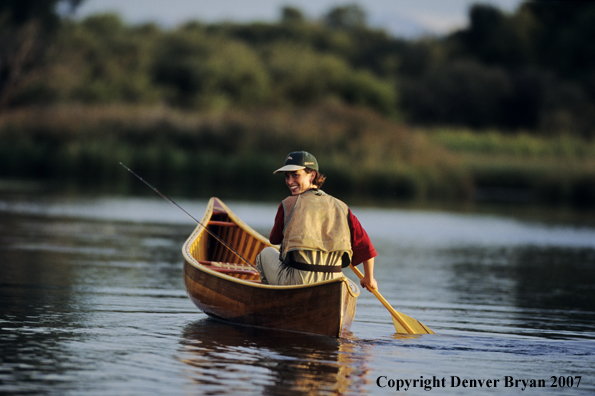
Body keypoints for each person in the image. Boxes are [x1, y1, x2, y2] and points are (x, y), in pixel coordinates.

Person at [255, 151, 378, 292]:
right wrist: (369, 278)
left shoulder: (288, 203)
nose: (289, 181)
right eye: (287, 177)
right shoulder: (342, 206)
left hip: (298, 281)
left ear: (312, 175)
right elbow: (367, 247)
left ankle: (273, 301)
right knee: (347, 282)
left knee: (265, 254)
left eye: (295, 175)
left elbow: (274, 239)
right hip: (334, 282)